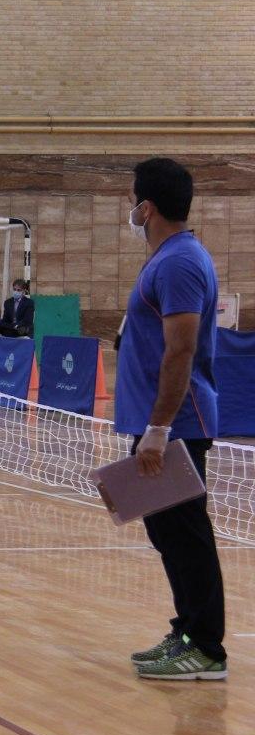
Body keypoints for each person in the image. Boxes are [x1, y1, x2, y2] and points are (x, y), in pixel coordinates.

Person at [117, 157, 226, 680]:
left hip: (176, 425)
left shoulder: (180, 262)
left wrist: (158, 430)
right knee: (166, 533)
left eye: (132, 200)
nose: (130, 210)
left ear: (148, 207)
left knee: (186, 534)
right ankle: (186, 632)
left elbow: (181, 350)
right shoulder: (166, 258)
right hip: (155, 422)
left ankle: (205, 648)